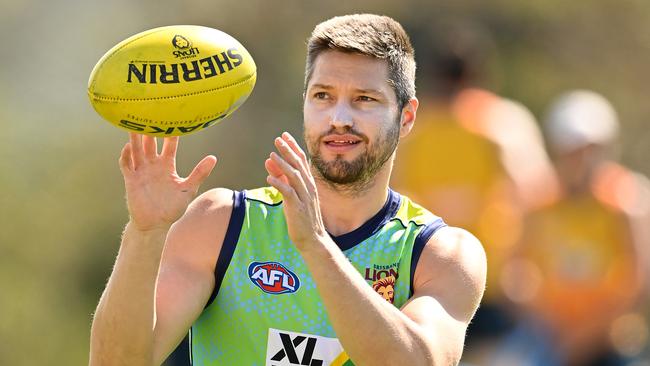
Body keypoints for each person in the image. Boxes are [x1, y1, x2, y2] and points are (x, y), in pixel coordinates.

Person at [89, 14, 486, 366]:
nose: (339, 118)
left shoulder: (439, 254)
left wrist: (315, 245)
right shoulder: (222, 224)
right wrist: (145, 234)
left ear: (406, 117)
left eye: (365, 99)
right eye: (323, 96)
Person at [391, 25, 557, 363]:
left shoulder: (414, 129)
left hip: (425, 274)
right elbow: (541, 194)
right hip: (491, 278)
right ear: (481, 76)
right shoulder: (501, 122)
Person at [498, 90, 650, 366]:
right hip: (548, 335)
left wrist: (586, 333)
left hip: (610, 339)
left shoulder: (626, 203)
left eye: (592, 150)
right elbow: (513, 275)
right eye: (574, 152)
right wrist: (543, 317)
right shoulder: (539, 204)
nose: (583, 161)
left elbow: (637, 282)